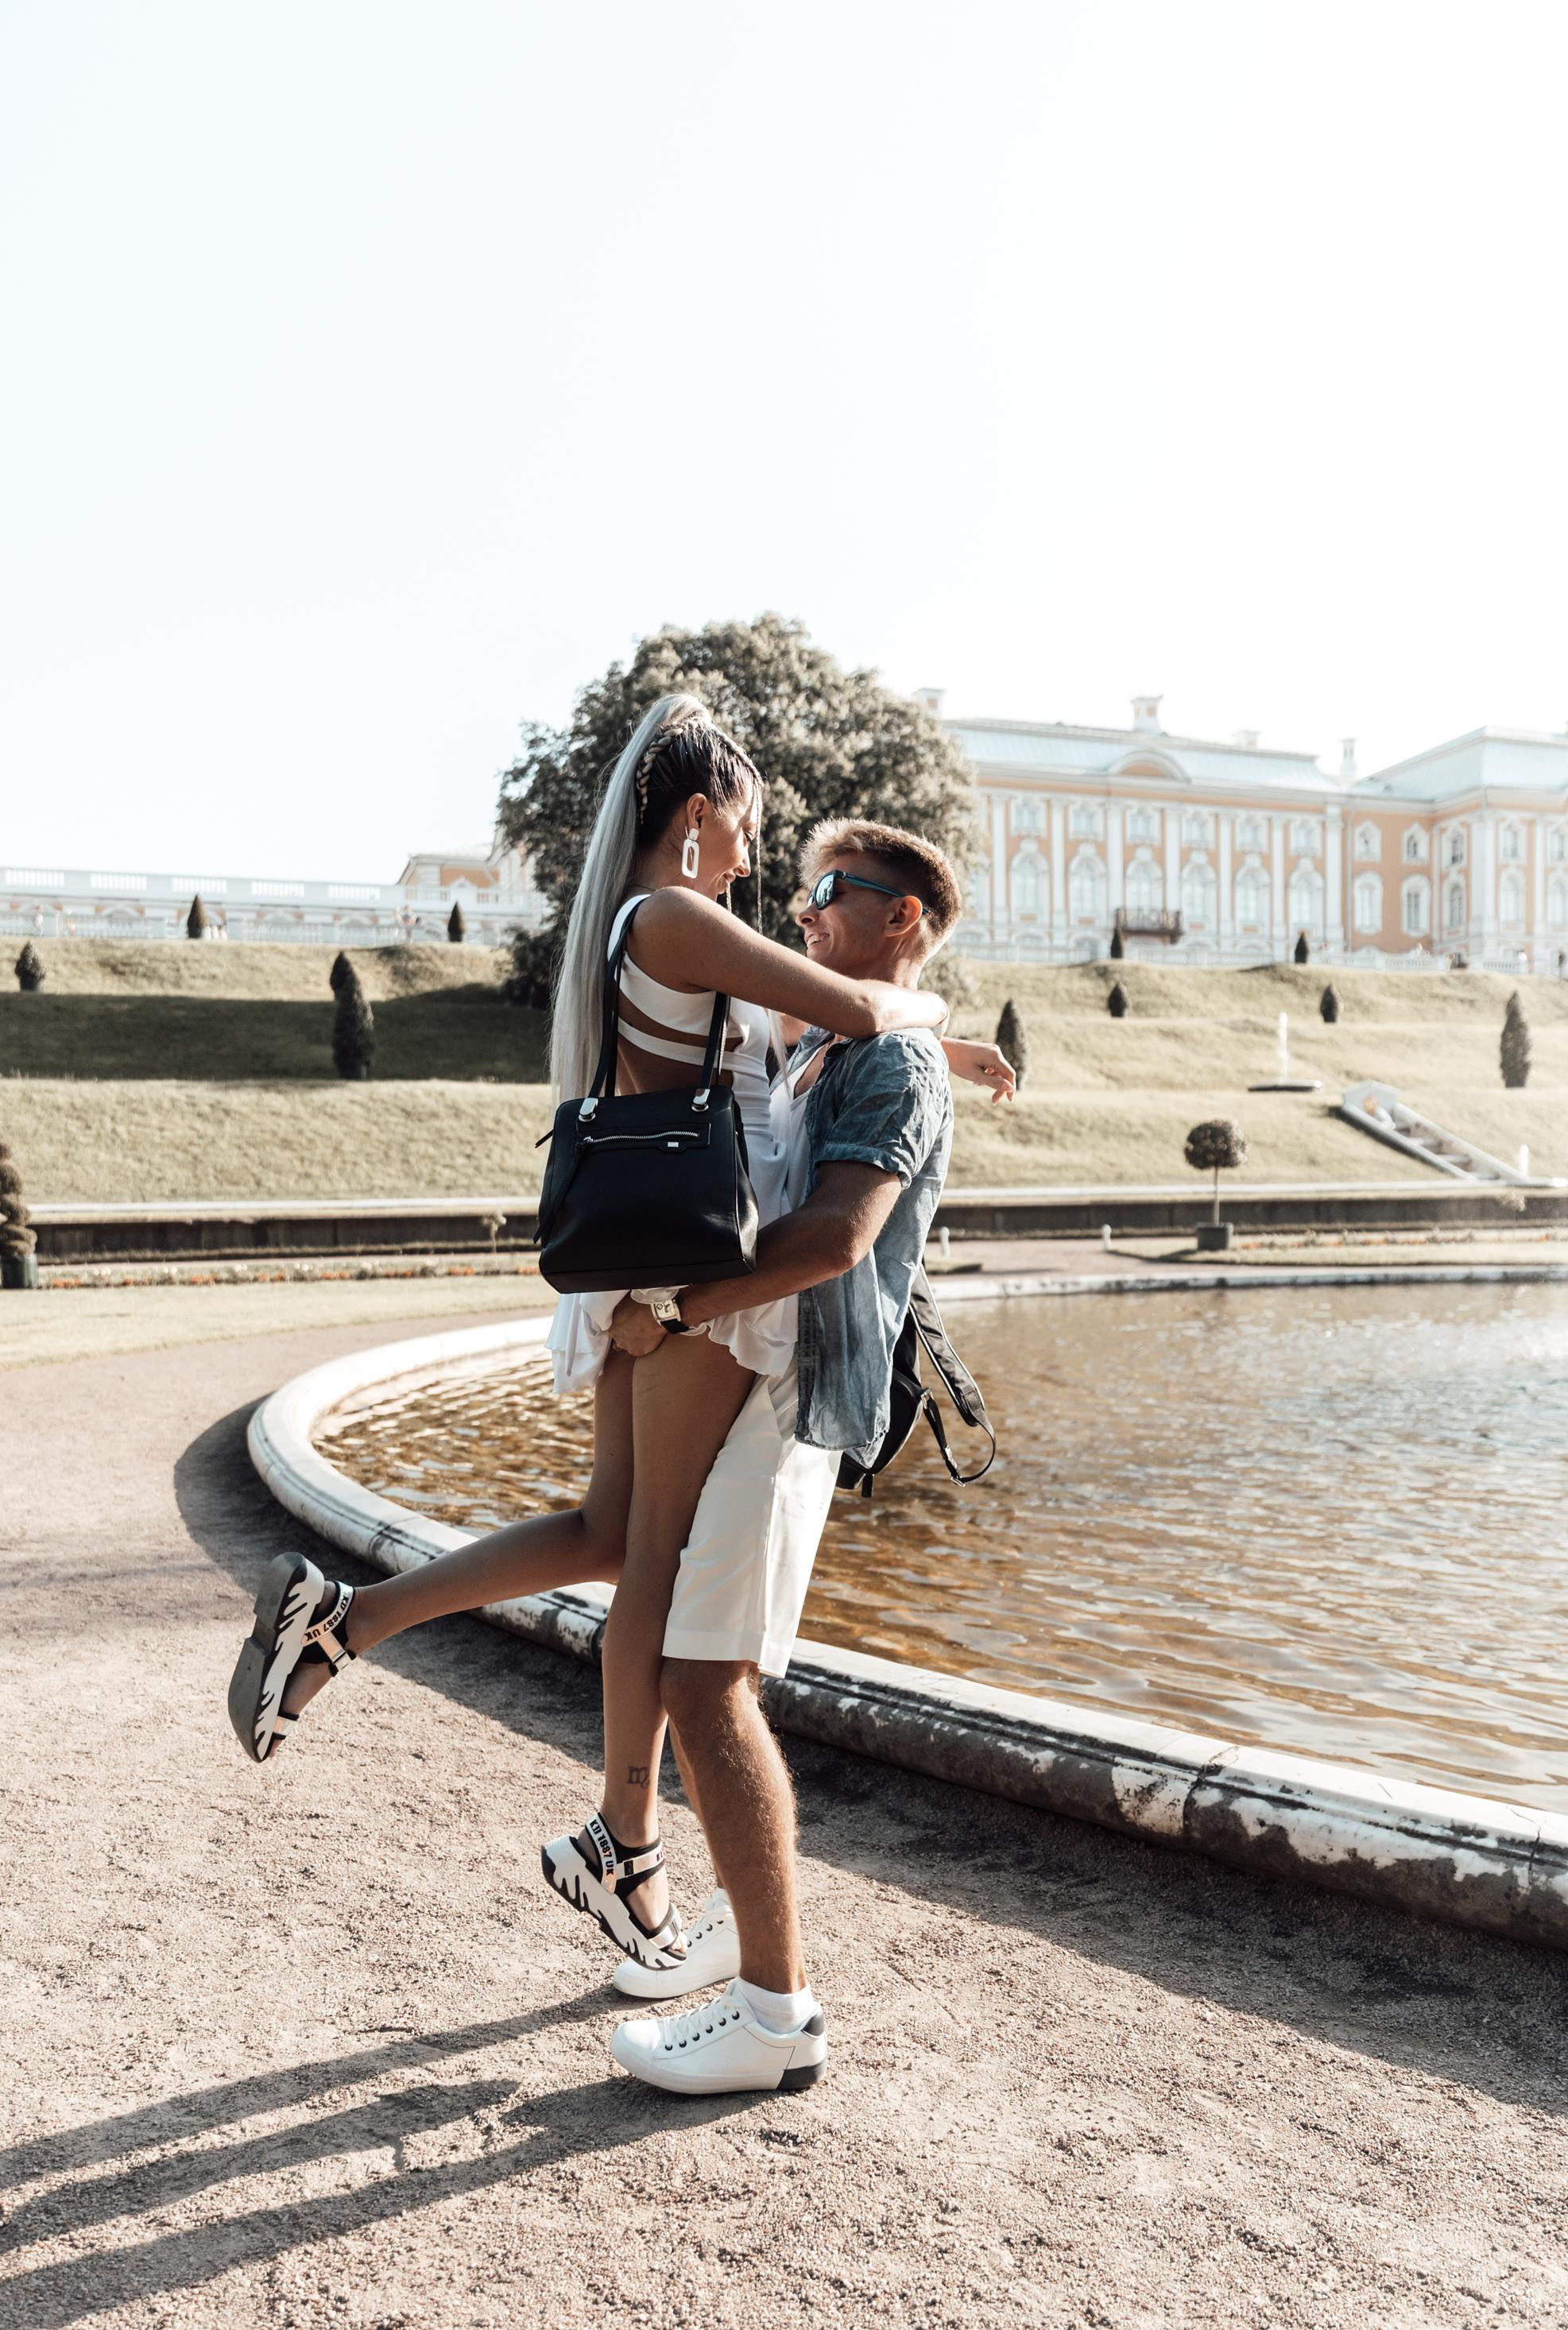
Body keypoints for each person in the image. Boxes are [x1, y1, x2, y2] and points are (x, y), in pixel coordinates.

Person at [226, 700, 1008, 1972]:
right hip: (693, 1274)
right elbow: (858, 1017)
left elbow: (816, 1031)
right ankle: (624, 1844)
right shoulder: (674, 919)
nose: (758, 867)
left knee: (605, 1535)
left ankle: (345, 1622)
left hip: (658, 1253)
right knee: (647, 1566)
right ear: (696, 817)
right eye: (749, 834)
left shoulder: (656, 930)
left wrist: (933, 1037)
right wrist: (940, 1036)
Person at [590, 813, 966, 2093]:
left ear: (902, 917)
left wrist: (677, 1309)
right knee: (702, 1670)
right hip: (760, 1386)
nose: (802, 911)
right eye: (802, 888)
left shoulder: (886, 1070)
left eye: (831, 892)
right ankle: (748, 1979)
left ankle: (773, 2014)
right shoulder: (839, 1048)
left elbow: (835, 1241)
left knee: (708, 1683)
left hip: (796, 1399)